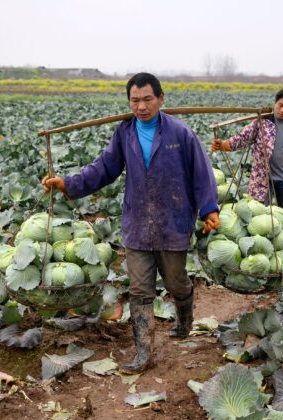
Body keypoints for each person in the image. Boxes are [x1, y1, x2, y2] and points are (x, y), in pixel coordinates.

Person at [42, 72, 220, 374]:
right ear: (129, 102)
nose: (141, 106)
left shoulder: (180, 134)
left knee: (177, 282)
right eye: (135, 100)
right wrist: (67, 184)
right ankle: (142, 353)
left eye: (147, 99)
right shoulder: (125, 133)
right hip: (137, 223)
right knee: (140, 291)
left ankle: (184, 319)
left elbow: (201, 172)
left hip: (174, 221)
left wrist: (209, 210)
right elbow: (104, 168)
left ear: (161, 99)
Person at [211, 89, 283, 215]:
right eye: (280, 105)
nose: (282, 110)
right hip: (262, 177)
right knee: (259, 213)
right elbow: (242, 139)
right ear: (275, 103)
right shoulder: (262, 122)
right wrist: (222, 145)